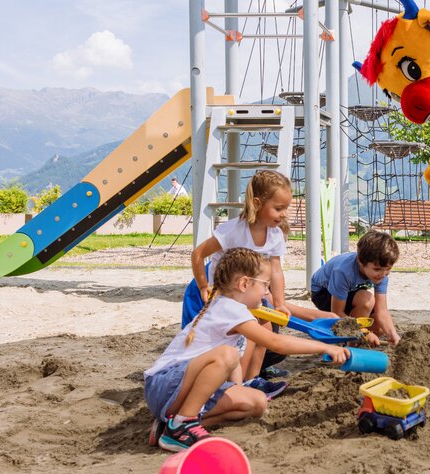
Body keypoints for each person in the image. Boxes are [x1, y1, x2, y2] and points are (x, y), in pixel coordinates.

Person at [146, 248, 349, 452]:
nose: (266, 293)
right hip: (164, 384)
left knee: (256, 403)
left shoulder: (235, 310)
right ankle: (183, 423)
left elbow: (233, 371)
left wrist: (237, 389)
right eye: (265, 286)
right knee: (227, 354)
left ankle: (170, 425)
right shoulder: (229, 308)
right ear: (244, 284)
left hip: (177, 392)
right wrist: (324, 347)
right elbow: (275, 342)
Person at [182, 170, 307, 388]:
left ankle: (252, 380)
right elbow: (198, 254)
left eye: (285, 208)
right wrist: (204, 286)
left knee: (265, 330)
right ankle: (234, 384)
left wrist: (279, 303)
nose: (284, 214)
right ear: (257, 203)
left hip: (246, 294)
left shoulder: (275, 235)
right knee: (241, 337)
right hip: (222, 293)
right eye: (278, 208)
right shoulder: (233, 231)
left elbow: (276, 271)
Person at [309, 230, 402, 345]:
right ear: (361, 262)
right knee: (366, 300)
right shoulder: (343, 271)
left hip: (350, 291)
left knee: (379, 328)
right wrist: (363, 332)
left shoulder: (382, 274)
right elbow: (337, 312)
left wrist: (393, 334)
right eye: (377, 269)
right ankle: (350, 342)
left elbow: (381, 310)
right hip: (323, 293)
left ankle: (356, 339)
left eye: (388, 269)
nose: (383, 274)